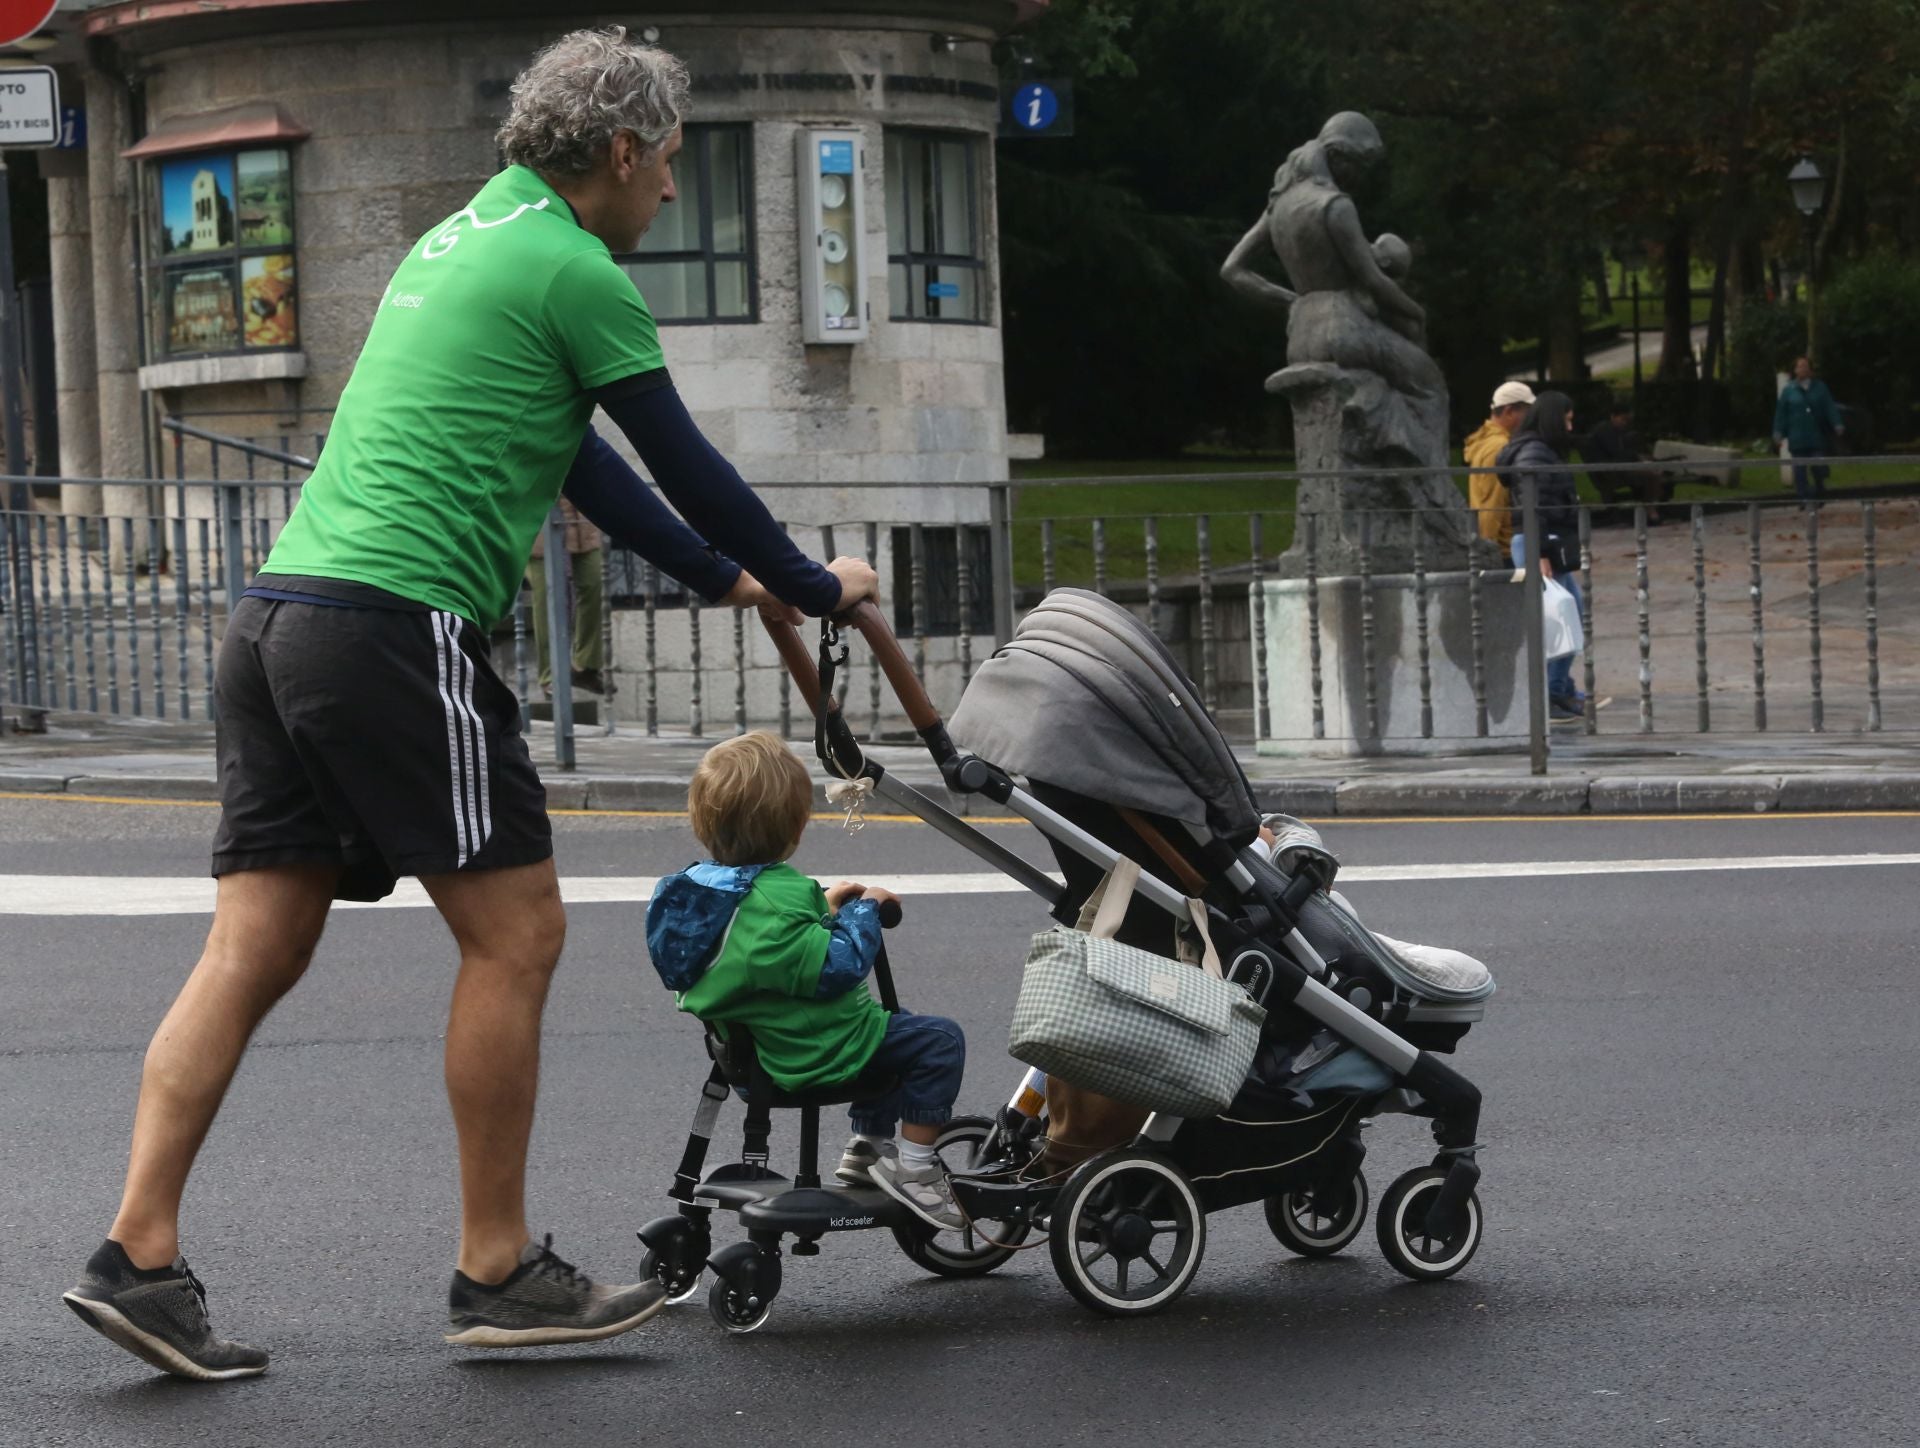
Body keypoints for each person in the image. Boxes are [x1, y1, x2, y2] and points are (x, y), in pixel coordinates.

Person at [62, 27, 880, 1381]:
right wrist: (817, 582)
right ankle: (497, 1270)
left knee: (250, 950)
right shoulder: (575, 266)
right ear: (620, 153)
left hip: (279, 617)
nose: (673, 192)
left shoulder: (463, 239)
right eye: (669, 163)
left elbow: (596, 472)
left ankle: (135, 1255)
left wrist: (735, 584)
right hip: (392, 625)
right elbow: (685, 459)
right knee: (518, 934)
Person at [647, 733, 969, 1229]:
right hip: (814, 1053)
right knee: (936, 1041)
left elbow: (770, 949)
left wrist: (827, 907)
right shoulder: (782, 897)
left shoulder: (687, 894)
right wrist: (864, 908)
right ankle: (915, 1170)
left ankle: (868, 1147)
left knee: (893, 1027)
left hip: (751, 1055)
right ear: (796, 826)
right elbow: (839, 965)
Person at [1499, 390, 1586, 720]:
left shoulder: (1540, 450)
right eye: (1566, 418)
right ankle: (1551, 691)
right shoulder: (1534, 453)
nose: (1570, 424)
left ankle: (1557, 687)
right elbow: (1532, 505)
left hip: (1542, 541)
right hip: (1538, 542)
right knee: (1559, 616)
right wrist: (1540, 552)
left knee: (1566, 613)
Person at [526, 495, 607, 695]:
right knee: (546, 596)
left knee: (593, 580)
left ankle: (584, 665)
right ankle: (549, 676)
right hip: (538, 517)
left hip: (580, 518)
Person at [1463, 381, 1534, 551]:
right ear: (1509, 411)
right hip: (1504, 549)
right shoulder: (1499, 447)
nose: (1531, 419)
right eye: (1528, 412)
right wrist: (1488, 553)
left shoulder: (1486, 441)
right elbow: (1491, 505)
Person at [1772, 356, 1845, 503]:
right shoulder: (1789, 390)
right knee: (1799, 470)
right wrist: (1778, 432)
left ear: (1810, 370)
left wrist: (1837, 423)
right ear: (1795, 370)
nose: (1802, 369)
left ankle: (1819, 489)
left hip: (1815, 436)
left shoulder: (1820, 387)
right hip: (1797, 437)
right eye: (1800, 366)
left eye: (1805, 366)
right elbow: (1781, 413)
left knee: (1819, 466)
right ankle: (1803, 498)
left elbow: (1829, 406)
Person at [1582, 400, 1665, 523]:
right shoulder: (1605, 431)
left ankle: (1649, 505)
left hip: (1611, 469)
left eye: (1628, 420)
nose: (1625, 423)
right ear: (1613, 416)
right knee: (1652, 475)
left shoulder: (1612, 430)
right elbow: (1617, 453)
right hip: (1608, 472)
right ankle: (1650, 508)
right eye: (1623, 419)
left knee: (1653, 472)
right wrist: (1638, 458)